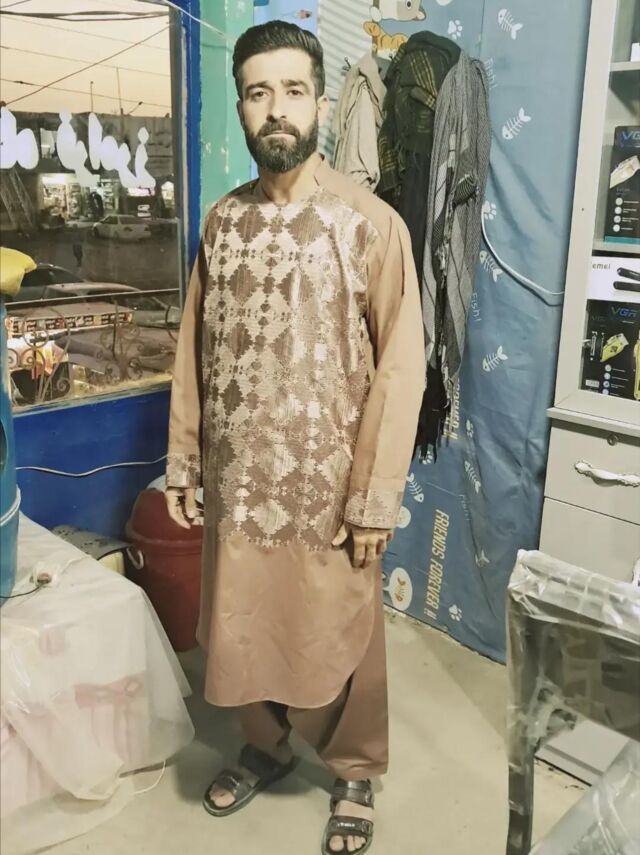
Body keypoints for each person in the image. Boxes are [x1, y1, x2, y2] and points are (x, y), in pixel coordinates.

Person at [166, 21, 425, 855]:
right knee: (242, 621)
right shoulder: (221, 223)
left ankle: (354, 767)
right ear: (242, 106)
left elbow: (402, 368)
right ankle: (266, 743)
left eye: (293, 90)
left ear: (319, 99)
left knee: (340, 627)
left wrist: (376, 493)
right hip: (240, 482)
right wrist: (184, 459)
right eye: (257, 92)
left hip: (328, 485)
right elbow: (193, 349)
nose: (276, 108)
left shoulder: (370, 224)